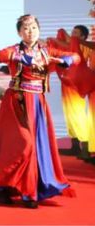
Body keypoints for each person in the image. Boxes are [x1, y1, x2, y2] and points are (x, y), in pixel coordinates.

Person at [0, 15, 79, 208]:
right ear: (19, 32)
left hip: (37, 103)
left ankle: (30, 192)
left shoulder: (46, 50)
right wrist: (22, 57)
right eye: (26, 28)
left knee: (37, 146)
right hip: (17, 102)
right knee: (23, 145)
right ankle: (4, 187)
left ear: (39, 30)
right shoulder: (14, 50)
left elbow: (76, 56)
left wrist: (66, 60)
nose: (30, 31)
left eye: (34, 27)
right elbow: (0, 55)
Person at [48, 25, 93, 160]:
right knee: (69, 116)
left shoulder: (83, 46)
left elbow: (69, 45)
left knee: (77, 115)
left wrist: (57, 39)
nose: (72, 35)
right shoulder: (73, 45)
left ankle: (85, 149)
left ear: (83, 37)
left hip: (75, 86)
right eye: (72, 32)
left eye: (76, 33)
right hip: (67, 84)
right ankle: (75, 146)